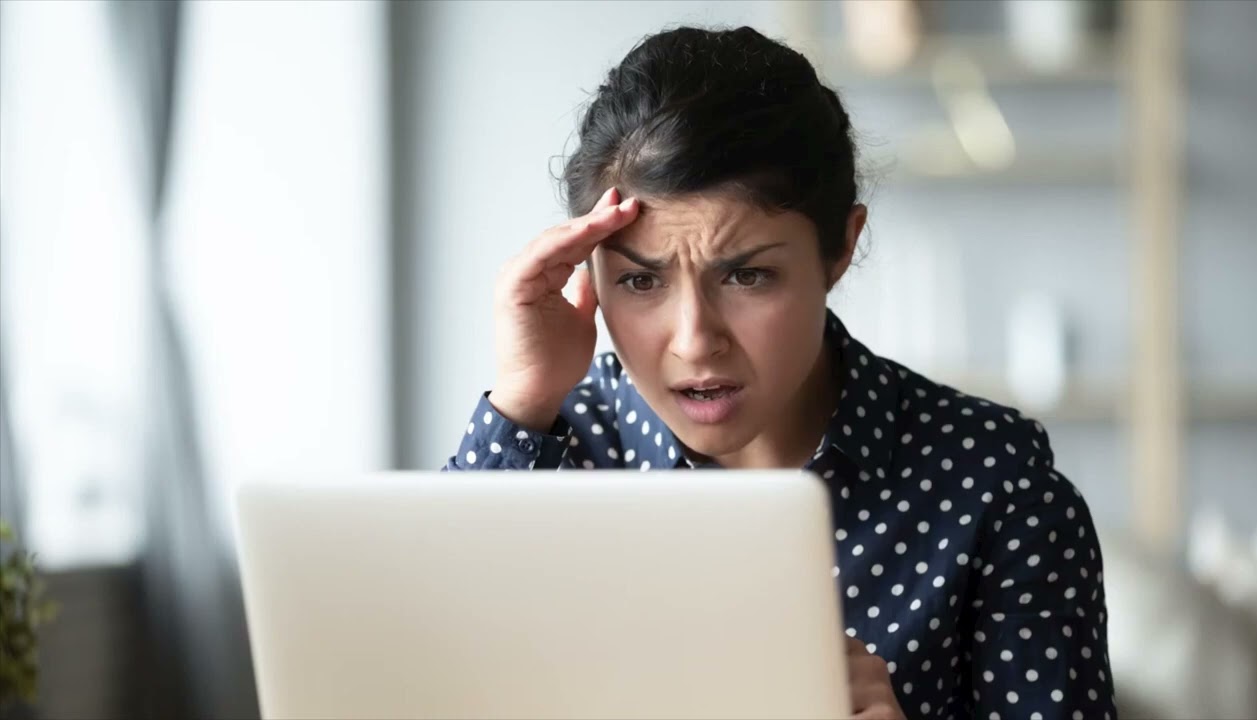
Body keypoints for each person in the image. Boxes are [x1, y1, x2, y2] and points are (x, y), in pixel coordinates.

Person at [444, 25, 1117, 720]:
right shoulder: (546, 458)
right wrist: (523, 399)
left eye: (747, 276)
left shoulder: (993, 484)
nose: (694, 342)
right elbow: (421, 672)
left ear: (840, 248)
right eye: (641, 284)